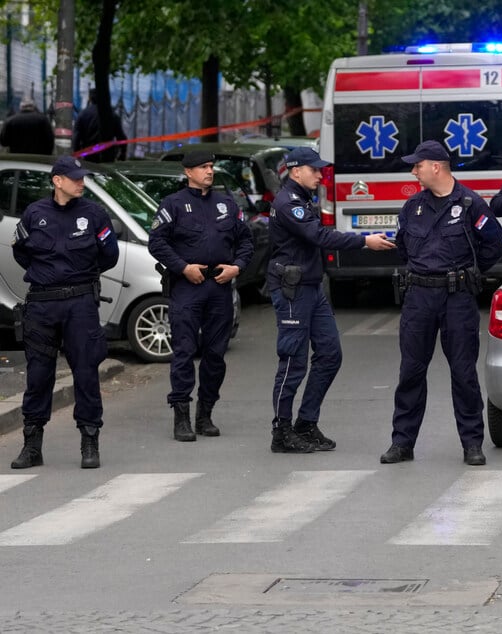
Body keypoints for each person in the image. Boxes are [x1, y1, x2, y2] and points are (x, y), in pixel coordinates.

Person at [381, 140, 502, 466]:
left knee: (463, 373)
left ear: (436, 166)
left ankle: (472, 443)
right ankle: (402, 442)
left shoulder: (471, 204)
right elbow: (404, 248)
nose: (413, 171)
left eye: (417, 165)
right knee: (411, 371)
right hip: (419, 297)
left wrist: (466, 275)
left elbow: (492, 245)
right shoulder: (412, 207)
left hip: (456, 298)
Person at [268, 147, 395, 453]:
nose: (320, 175)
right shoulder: (288, 203)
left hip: (311, 288)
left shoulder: (302, 199)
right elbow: (320, 237)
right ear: (296, 171)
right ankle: (281, 431)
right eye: (314, 170)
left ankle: (306, 423)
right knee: (293, 361)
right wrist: (364, 241)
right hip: (292, 291)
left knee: (330, 354)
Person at [9, 156, 119, 470]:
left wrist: (80, 274)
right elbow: (21, 251)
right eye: (74, 178)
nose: (81, 182)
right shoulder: (34, 213)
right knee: (39, 375)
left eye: (82, 177)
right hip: (42, 305)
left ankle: (89, 441)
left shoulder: (94, 215)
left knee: (85, 372)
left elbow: (109, 255)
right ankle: (32, 446)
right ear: (57, 181)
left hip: (80, 304)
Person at [148, 150, 254, 442]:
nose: (210, 171)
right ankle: (181, 415)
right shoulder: (174, 204)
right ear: (188, 172)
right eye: (203, 167)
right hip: (187, 286)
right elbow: (156, 242)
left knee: (215, 354)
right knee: (184, 351)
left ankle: (205, 414)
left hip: (219, 286)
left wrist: (238, 267)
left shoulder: (226, 204)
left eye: (211, 166)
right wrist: (182, 268)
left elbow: (246, 240)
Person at [72, 88, 128, 162]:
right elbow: (121, 137)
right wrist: (122, 153)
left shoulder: (83, 115)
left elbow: (76, 137)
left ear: (90, 98)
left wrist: (78, 154)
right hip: (108, 154)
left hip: (89, 154)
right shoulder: (112, 114)